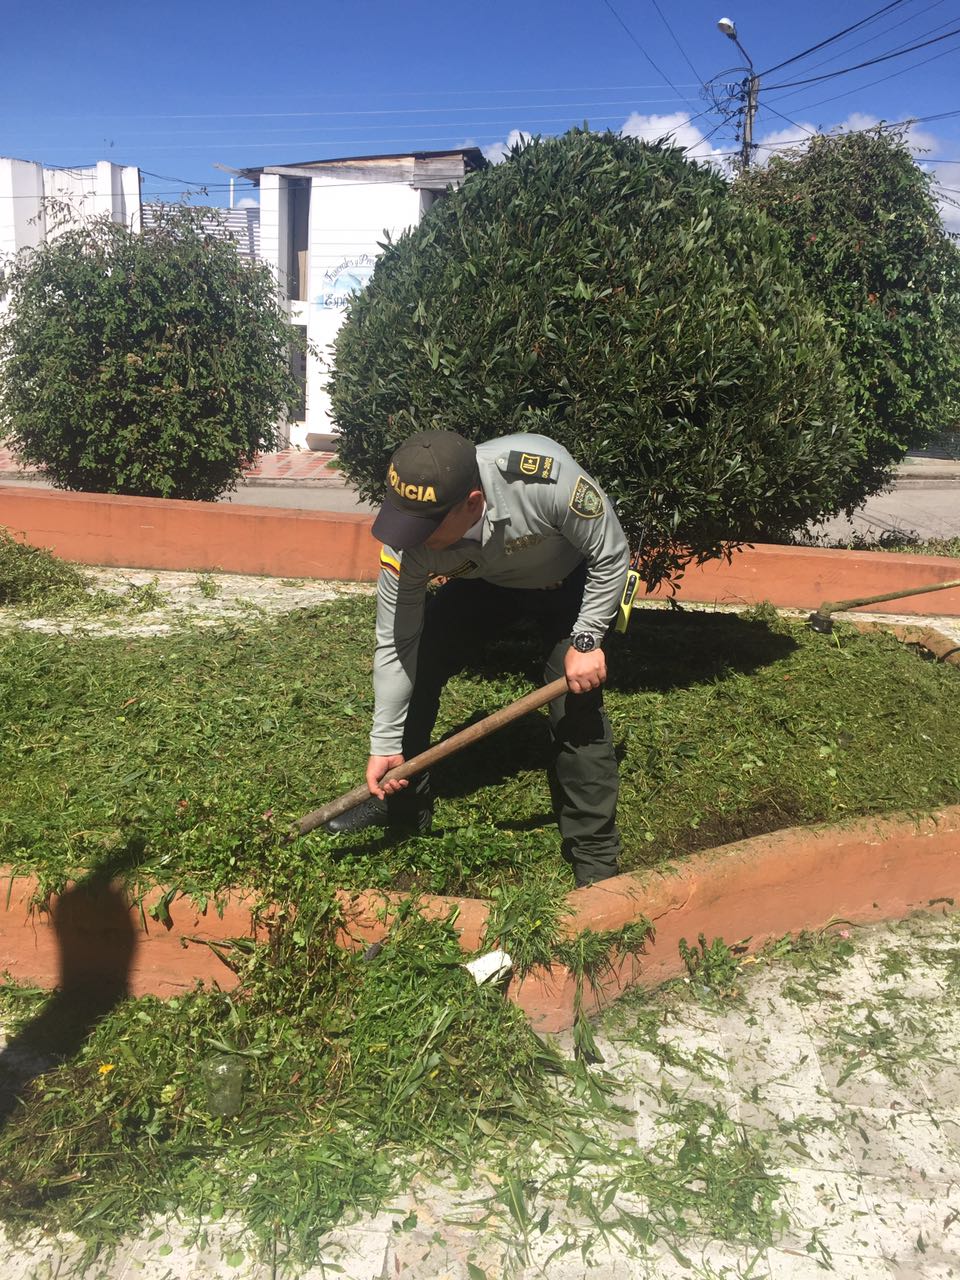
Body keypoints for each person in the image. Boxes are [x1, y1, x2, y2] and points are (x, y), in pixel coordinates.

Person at [325, 429, 630, 887]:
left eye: (425, 526)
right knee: (421, 662)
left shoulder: (547, 481)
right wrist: (385, 740)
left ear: (471, 503)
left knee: (576, 702)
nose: (412, 539)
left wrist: (586, 642)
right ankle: (402, 804)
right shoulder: (408, 540)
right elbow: (396, 642)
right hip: (486, 580)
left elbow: (610, 555)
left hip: (569, 583)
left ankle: (595, 857)